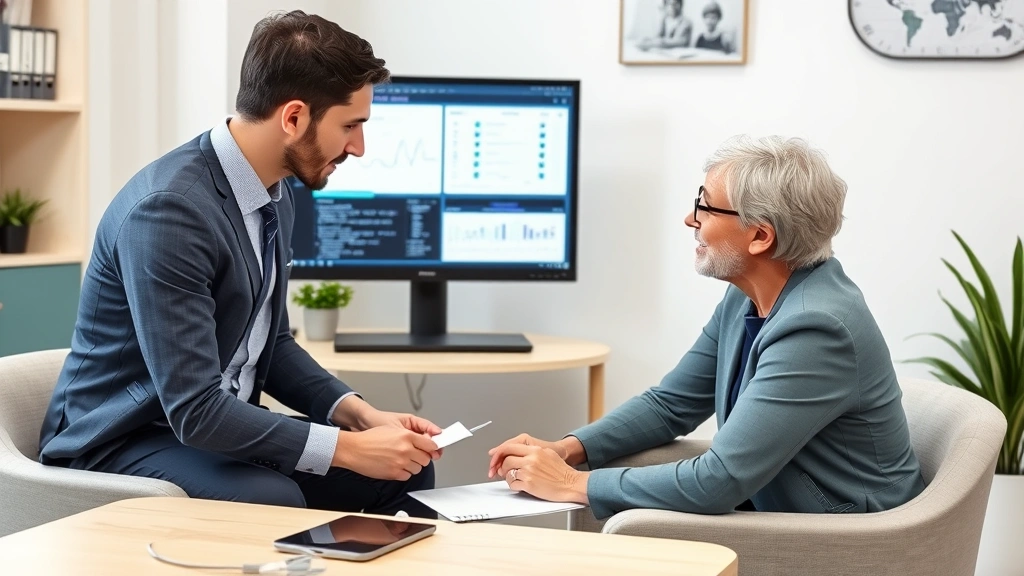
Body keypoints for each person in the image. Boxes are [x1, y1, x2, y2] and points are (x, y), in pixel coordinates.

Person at [38, 10, 442, 517]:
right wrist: (346, 449)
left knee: (408, 467)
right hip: (125, 438)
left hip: (206, 429)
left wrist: (359, 417)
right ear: (293, 118)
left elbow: (270, 342)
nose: (359, 148)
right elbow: (195, 410)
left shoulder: (273, 190)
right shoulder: (170, 212)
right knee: (272, 498)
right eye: (351, 125)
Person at [487, 136, 926, 519]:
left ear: (760, 237)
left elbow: (719, 481)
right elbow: (670, 405)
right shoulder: (749, 295)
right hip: (774, 500)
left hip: (844, 533)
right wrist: (566, 448)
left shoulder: (816, 329)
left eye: (705, 205)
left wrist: (571, 483)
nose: (690, 219)